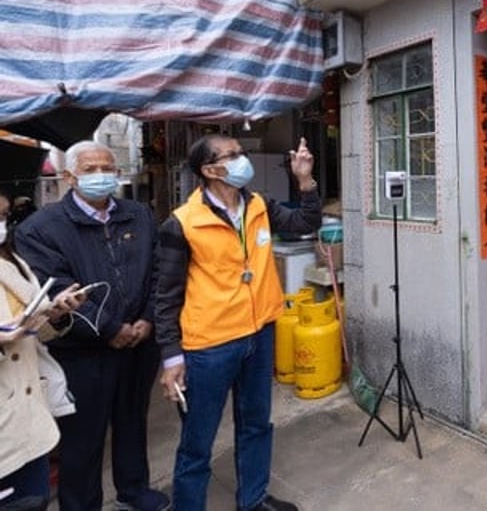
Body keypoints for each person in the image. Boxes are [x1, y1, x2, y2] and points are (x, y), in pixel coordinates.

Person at [155, 135, 320, 511]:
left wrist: (305, 181)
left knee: (257, 425)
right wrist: (170, 357)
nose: (243, 160)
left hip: (259, 334)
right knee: (198, 442)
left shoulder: (257, 204)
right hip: (209, 345)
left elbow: (303, 223)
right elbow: (165, 297)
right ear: (210, 170)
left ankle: (253, 500)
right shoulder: (182, 223)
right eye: (234, 155)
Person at [14, 142, 169, 511]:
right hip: (83, 353)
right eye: (90, 169)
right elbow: (55, 288)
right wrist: (111, 328)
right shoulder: (40, 228)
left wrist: (146, 319)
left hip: (139, 343)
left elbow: (159, 272)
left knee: (132, 422)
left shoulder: (139, 215)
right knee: (83, 439)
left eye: (108, 168)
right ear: (69, 177)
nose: (101, 176)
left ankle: (134, 491)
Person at [0, 189, 84, 511]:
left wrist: (57, 314)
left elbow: (35, 333)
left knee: (34, 501)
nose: (2, 224)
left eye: (4, 216)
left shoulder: (14, 261)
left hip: (30, 420)